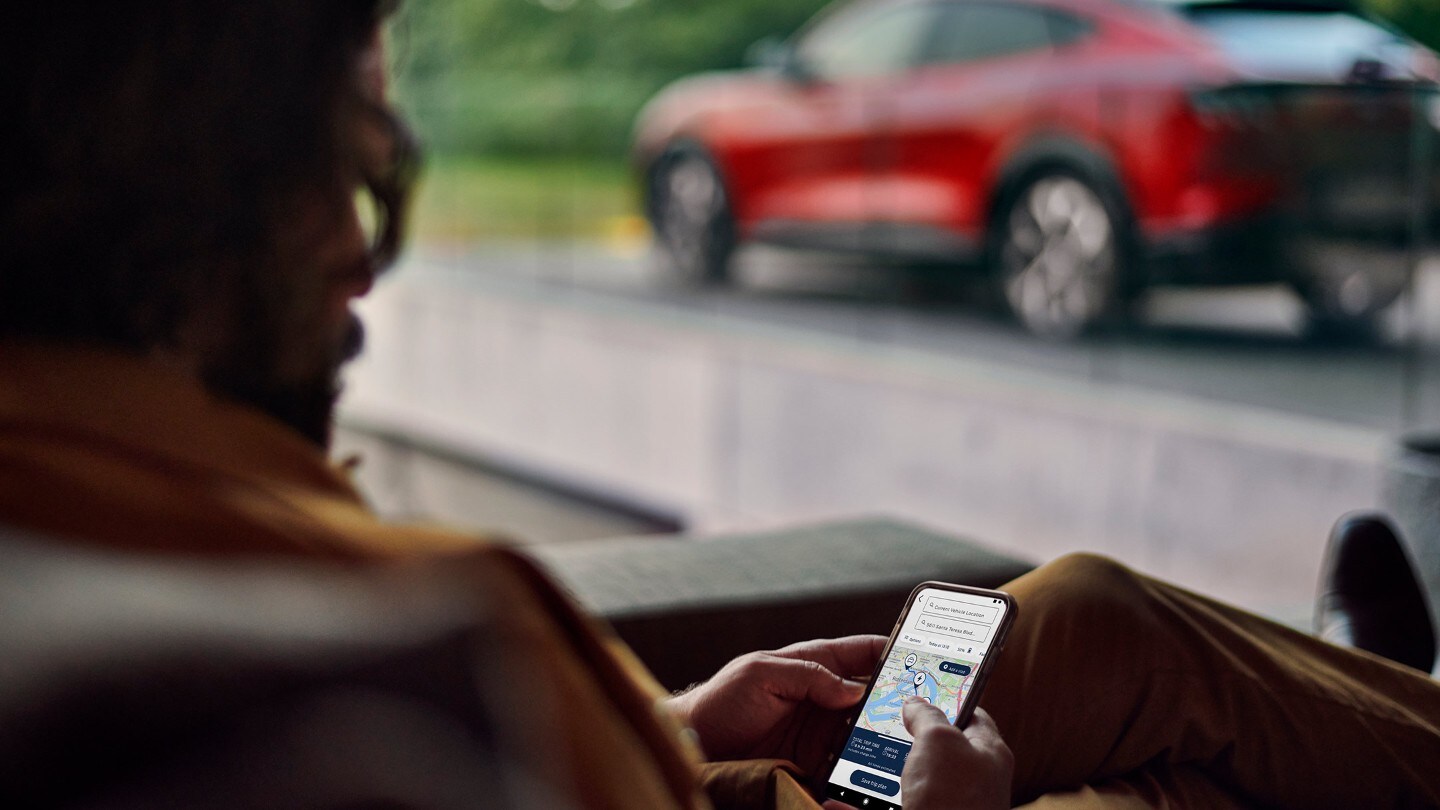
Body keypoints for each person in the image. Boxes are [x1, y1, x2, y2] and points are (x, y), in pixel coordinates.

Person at [0, 3, 1437, 808]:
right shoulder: (412, 650)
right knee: (1188, 784)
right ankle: (1356, 701)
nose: (361, 253)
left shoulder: (71, 502)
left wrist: (679, 724)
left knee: (1092, 613)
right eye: (344, 165)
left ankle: (1355, 698)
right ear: (182, 207)